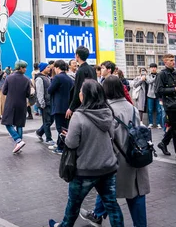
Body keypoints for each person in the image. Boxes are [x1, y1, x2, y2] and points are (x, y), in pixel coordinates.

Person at [48, 80, 123, 227]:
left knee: (73, 205)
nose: (80, 93)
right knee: (112, 205)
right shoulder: (108, 112)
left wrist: (68, 135)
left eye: (81, 90)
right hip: (108, 168)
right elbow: (112, 136)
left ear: (86, 95)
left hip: (85, 170)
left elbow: (71, 143)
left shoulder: (79, 116)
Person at [80, 76, 149, 227]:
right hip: (136, 156)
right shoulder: (132, 107)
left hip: (118, 160)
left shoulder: (106, 110)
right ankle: (140, 224)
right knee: (136, 194)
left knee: (108, 194)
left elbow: (107, 137)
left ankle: (97, 215)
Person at [156, 54, 176, 164]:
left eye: (173, 60)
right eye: (170, 60)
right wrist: (174, 89)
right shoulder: (162, 74)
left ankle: (163, 143)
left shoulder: (175, 73)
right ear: (165, 62)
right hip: (170, 105)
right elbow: (159, 91)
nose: (173, 62)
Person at [2, 60, 31, 154]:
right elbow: (28, 94)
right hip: (22, 104)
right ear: (20, 68)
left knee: (7, 123)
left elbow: (4, 91)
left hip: (10, 103)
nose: (25, 69)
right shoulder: (27, 79)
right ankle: (19, 145)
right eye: (24, 67)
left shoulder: (8, 78)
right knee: (19, 124)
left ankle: (18, 140)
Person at [47, 60, 74, 155]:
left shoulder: (57, 78)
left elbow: (49, 90)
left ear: (57, 67)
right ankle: (59, 146)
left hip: (58, 106)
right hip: (67, 107)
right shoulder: (70, 78)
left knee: (60, 128)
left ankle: (62, 148)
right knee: (65, 127)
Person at [67, 46, 96, 116]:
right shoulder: (92, 69)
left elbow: (77, 90)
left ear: (77, 55)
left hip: (83, 104)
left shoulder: (80, 71)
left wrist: (71, 108)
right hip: (93, 101)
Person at [35, 62, 54, 145]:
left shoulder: (47, 77)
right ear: (43, 69)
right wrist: (42, 103)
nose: (49, 69)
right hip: (45, 103)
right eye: (48, 67)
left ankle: (39, 132)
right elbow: (39, 92)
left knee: (50, 120)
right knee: (47, 121)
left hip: (50, 102)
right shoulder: (39, 79)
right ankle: (48, 138)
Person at [144, 63, 162, 129]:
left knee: (159, 110)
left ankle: (158, 123)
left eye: (154, 67)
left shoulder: (159, 75)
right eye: (152, 67)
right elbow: (148, 81)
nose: (153, 68)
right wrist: (155, 78)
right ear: (150, 68)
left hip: (158, 95)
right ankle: (150, 123)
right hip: (150, 95)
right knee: (150, 110)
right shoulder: (148, 76)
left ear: (156, 68)